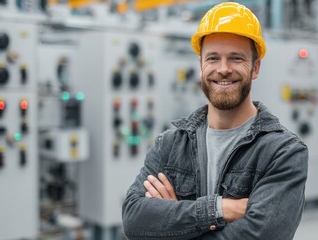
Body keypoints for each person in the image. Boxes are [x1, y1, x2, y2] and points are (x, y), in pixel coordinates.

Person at [122, 2, 308, 239]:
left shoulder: (283, 152)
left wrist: (172, 226)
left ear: (256, 67)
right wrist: (221, 209)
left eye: (236, 58)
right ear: (201, 65)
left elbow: (261, 235)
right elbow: (134, 220)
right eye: (213, 58)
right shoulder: (169, 145)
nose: (223, 69)